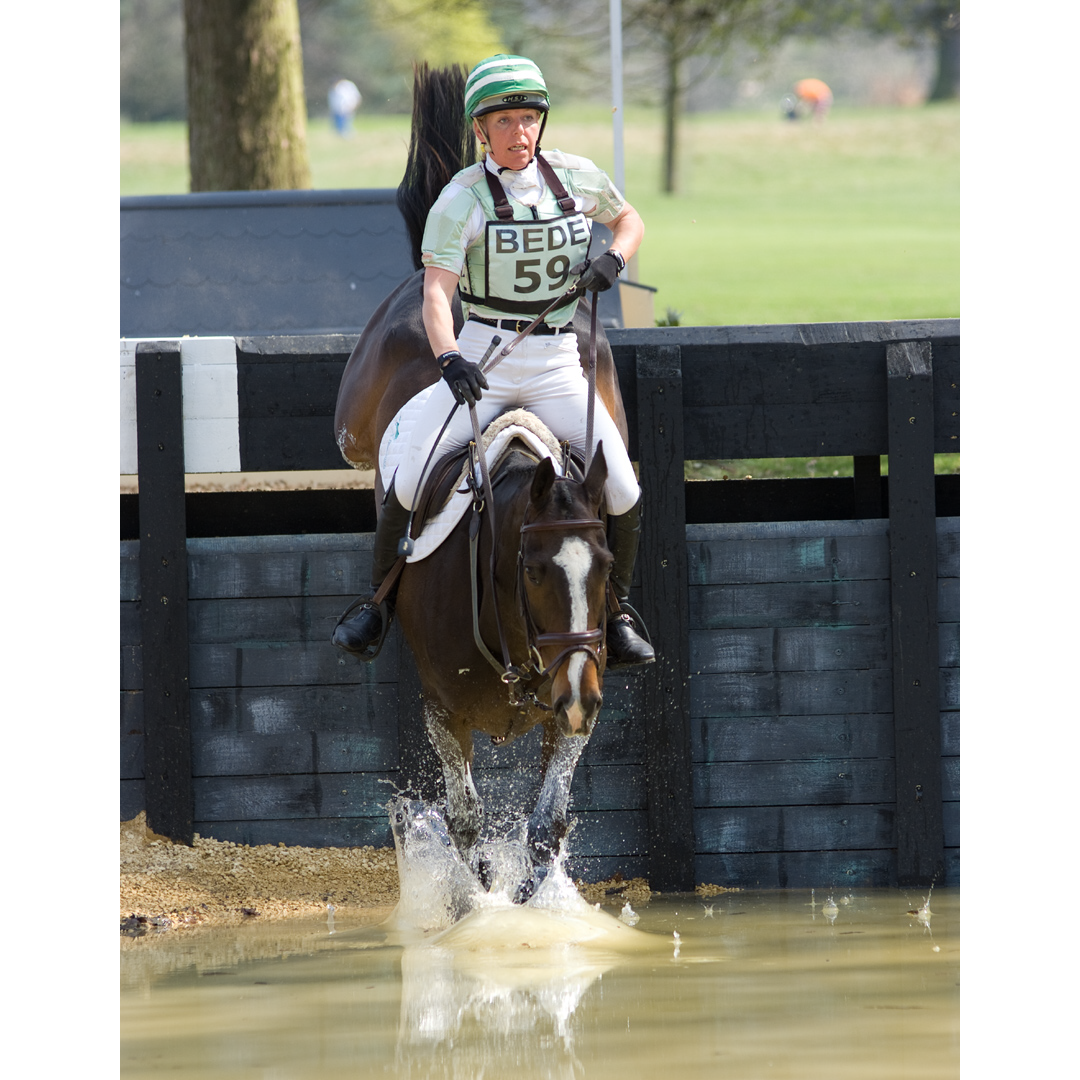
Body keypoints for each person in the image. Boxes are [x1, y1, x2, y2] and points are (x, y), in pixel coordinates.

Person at [333, 54, 654, 668]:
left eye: (529, 119)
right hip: (485, 359)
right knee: (404, 473)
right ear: (481, 130)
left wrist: (615, 256)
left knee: (624, 488)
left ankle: (617, 611)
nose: (520, 133)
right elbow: (434, 293)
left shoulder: (577, 178)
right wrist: (450, 357)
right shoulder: (461, 199)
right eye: (504, 121)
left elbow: (629, 219)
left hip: (559, 361)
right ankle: (376, 605)